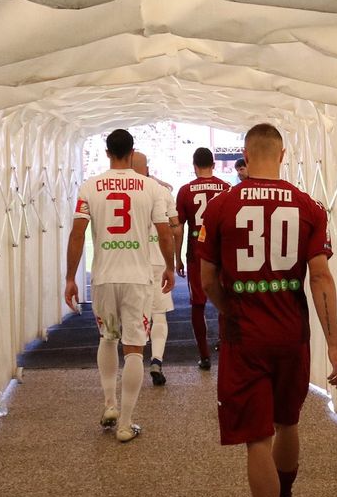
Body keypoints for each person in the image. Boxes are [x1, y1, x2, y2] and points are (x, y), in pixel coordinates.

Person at [196, 122, 337, 497]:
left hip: (246, 337)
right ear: (282, 154)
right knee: (288, 422)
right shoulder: (309, 206)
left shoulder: (221, 206)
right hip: (291, 335)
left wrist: (230, 311)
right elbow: (320, 277)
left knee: (256, 438)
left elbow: (207, 280)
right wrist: (335, 345)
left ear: (245, 155)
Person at [64, 130, 175, 442]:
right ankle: (125, 424)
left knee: (108, 338)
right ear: (132, 151)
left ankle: (109, 403)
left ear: (107, 152)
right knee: (135, 348)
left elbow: (77, 234)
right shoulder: (151, 187)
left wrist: (70, 277)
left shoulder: (90, 186)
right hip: (137, 278)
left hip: (103, 277)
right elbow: (165, 232)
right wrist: (170, 266)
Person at [175, 148, 231, 370]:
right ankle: (225, 347)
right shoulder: (226, 188)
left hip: (197, 253)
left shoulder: (185, 191)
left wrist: (177, 257)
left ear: (194, 166)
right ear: (214, 165)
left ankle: (204, 355)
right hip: (222, 253)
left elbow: (178, 228)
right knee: (226, 301)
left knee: (197, 305)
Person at [132, 151, 182, 386]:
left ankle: (133, 363)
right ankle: (157, 359)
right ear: (147, 168)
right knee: (159, 313)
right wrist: (175, 260)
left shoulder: (120, 190)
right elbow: (175, 228)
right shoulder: (161, 191)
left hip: (132, 260)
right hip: (157, 259)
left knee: (133, 315)